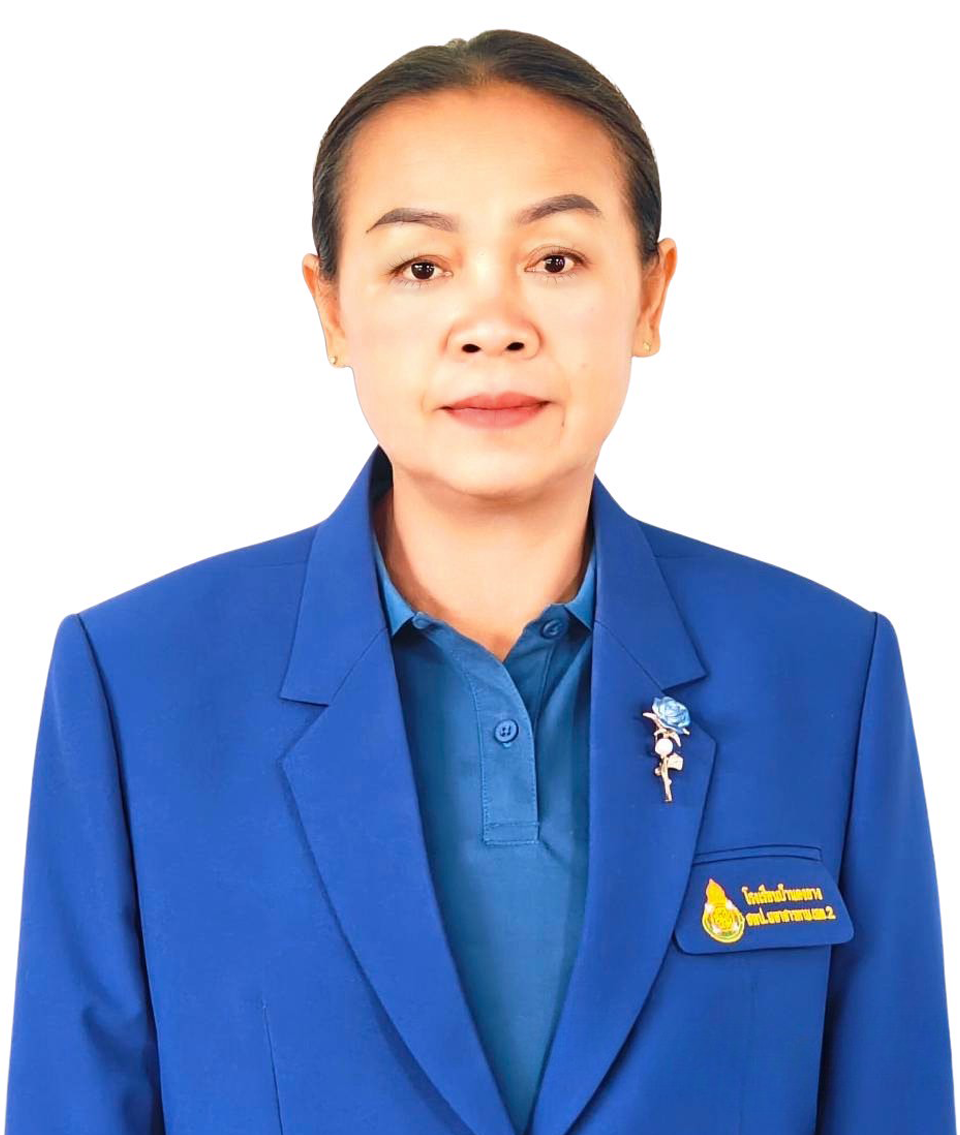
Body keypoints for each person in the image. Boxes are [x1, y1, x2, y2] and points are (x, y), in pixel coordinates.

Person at [4, 28, 955, 1135]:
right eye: (422, 267)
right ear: (330, 307)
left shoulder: (826, 673)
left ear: (651, 294)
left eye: (556, 260)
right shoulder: (139, 687)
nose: (493, 327)